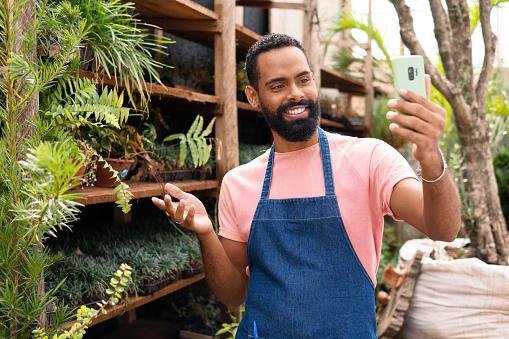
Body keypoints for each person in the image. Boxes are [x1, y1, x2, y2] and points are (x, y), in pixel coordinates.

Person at [152, 33, 461, 338]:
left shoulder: (369, 159)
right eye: (277, 85)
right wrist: (206, 232)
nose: (295, 93)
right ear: (253, 96)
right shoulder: (239, 182)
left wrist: (430, 154)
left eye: (303, 79)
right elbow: (233, 295)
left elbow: (443, 229)